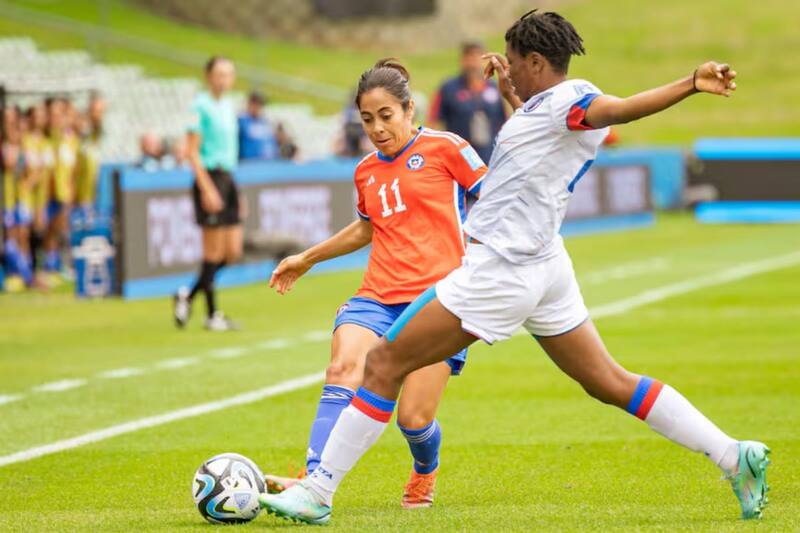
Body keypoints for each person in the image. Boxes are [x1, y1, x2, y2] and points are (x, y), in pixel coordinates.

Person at [261, 11, 768, 526]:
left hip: (502, 267)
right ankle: (733, 455)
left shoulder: (573, 99)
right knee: (609, 381)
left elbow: (617, 110)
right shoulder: (542, 108)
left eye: (514, 61)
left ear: (537, 61)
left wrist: (690, 82)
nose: (507, 69)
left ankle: (318, 491)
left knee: (383, 364)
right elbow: (540, 139)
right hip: (545, 264)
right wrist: (512, 96)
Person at [262, 58, 486, 512]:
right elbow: (366, 228)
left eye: (386, 116)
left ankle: (424, 468)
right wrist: (306, 258)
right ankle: (313, 482)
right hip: (378, 296)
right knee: (342, 368)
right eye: (367, 119)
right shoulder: (366, 170)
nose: (378, 129)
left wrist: (486, 258)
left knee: (413, 419)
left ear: (408, 109)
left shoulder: (448, 148)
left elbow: (496, 198)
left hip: (439, 301)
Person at [174, 56, 242, 331]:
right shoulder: (199, 106)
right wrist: (207, 188)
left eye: (229, 74)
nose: (224, 80)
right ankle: (212, 314)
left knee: (232, 251)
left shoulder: (228, 105)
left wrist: (234, 189)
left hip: (228, 177)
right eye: (219, 74)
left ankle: (187, 295)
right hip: (210, 177)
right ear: (208, 76)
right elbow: (192, 152)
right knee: (212, 252)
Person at [427, 41, 507, 164]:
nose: (473, 63)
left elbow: (505, 122)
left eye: (477, 57)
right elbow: (433, 122)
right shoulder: (448, 88)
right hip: (459, 158)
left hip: (490, 157)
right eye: (469, 57)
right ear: (462, 60)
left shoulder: (495, 88)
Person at [237, 90, 279, 161]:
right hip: (249, 163)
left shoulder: (265, 123)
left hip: (268, 163)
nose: (259, 107)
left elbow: (273, 145)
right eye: (256, 103)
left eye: (261, 104)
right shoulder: (241, 121)